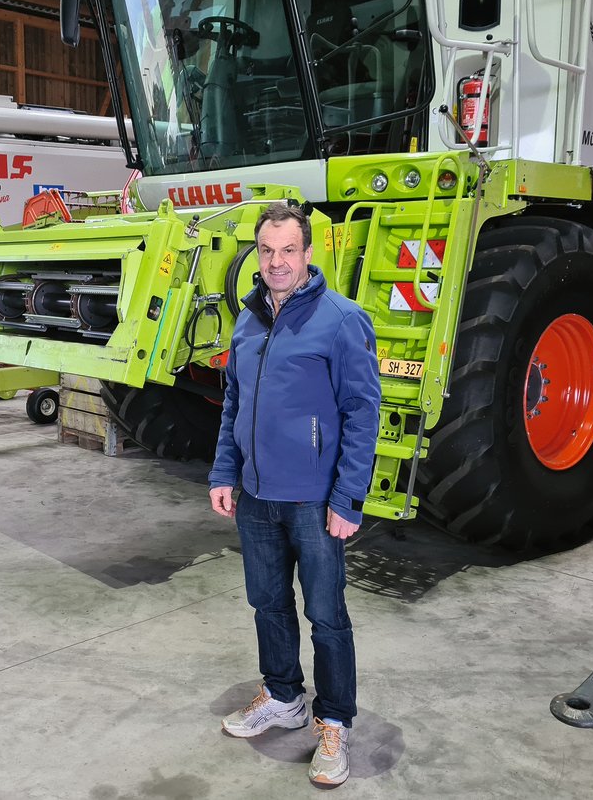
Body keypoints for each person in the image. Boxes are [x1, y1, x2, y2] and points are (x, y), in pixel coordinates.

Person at [208, 202, 381, 787]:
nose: (277, 262)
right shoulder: (247, 319)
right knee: (268, 603)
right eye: (267, 251)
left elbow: (362, 413)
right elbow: (234, 404)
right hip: (256, 496)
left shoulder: (342, 320)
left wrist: (347, 498)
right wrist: (224, 473)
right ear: (256, 255)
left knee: (326, 615)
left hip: (313, 499)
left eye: (288, 250)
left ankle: (334, 721)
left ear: (308, 253)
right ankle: (284, 696)